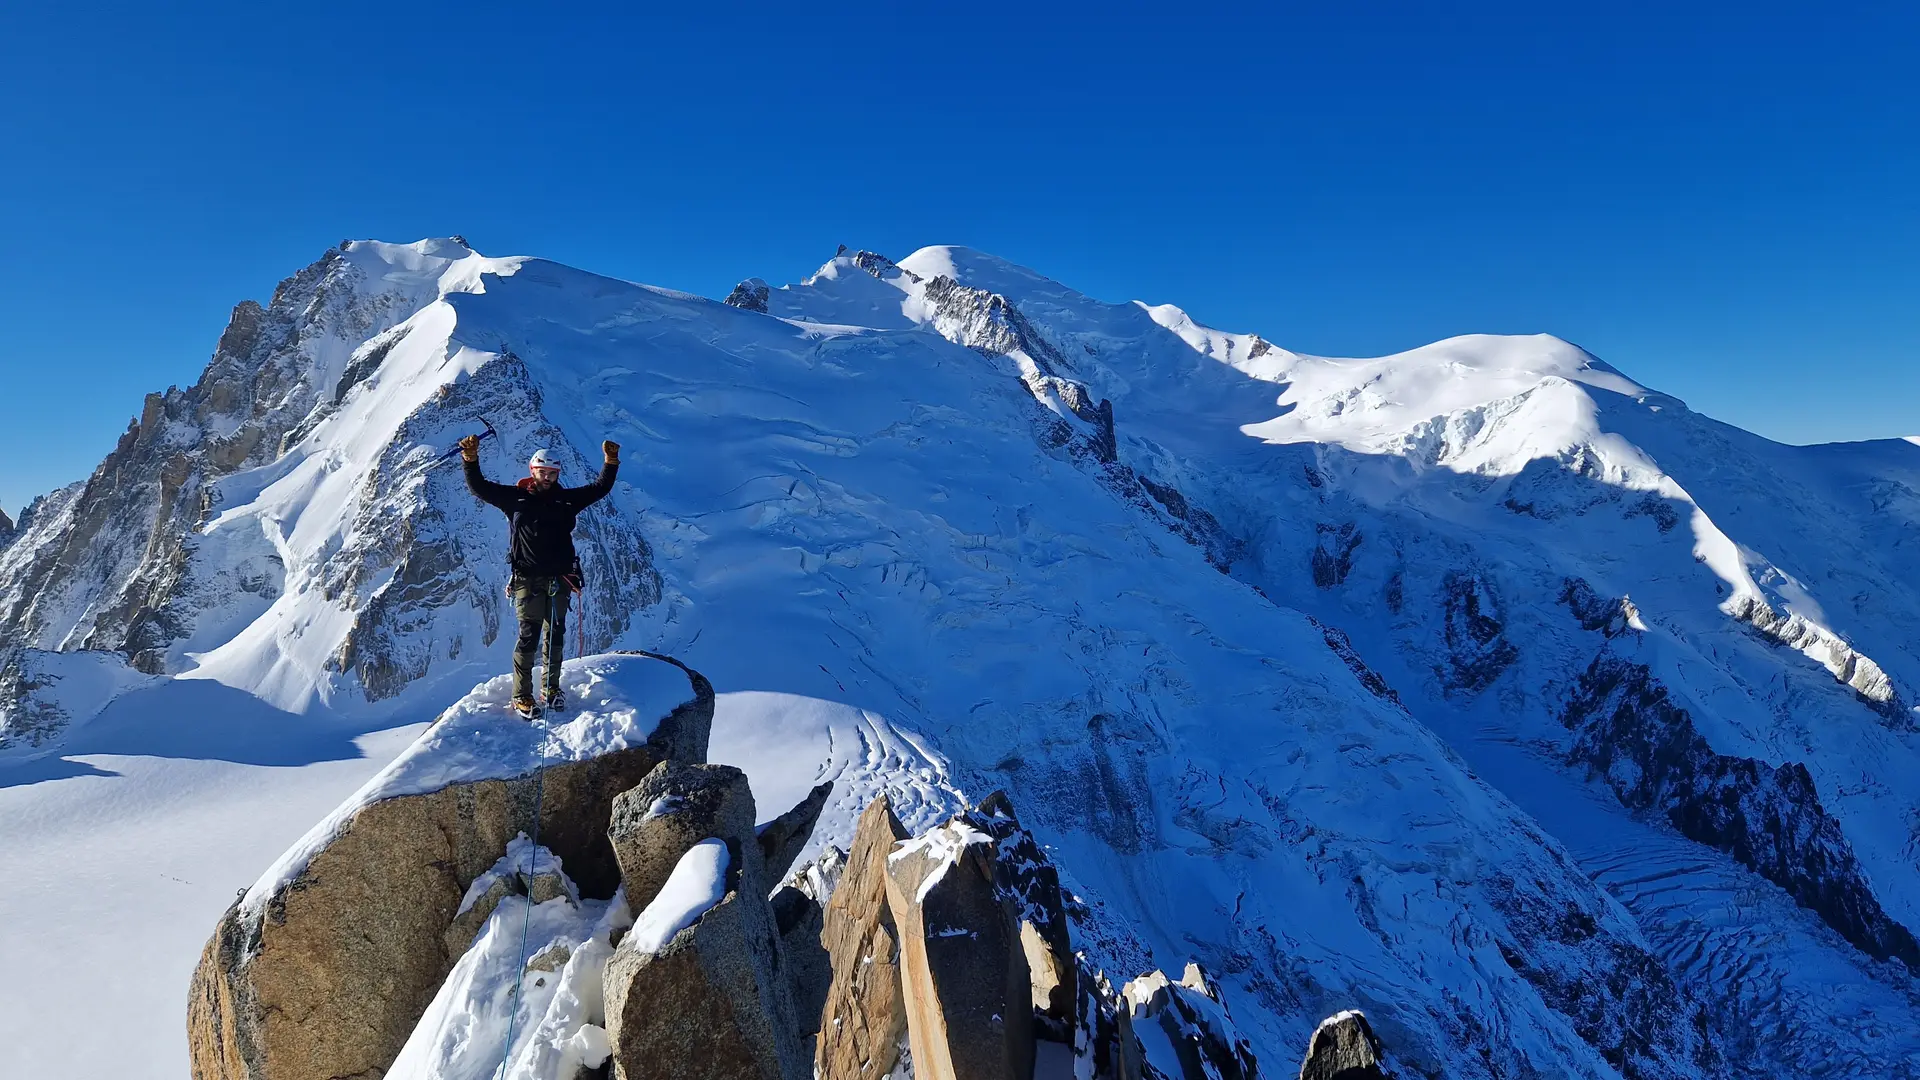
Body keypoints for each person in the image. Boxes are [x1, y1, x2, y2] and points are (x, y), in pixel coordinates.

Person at [460, 434, 621, 719]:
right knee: (529, 637)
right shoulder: (516, 498)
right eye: (542, 472)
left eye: (552, 473)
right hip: (528, 580)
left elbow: (599, 488)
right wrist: (470, 460)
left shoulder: (566, 500)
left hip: (561, 579)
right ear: (532, 471)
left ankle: (551, 689)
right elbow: (480, 488)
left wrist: (610, 462)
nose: (547, 477)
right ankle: (522, 695)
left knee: (555, 637)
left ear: (557, 474)